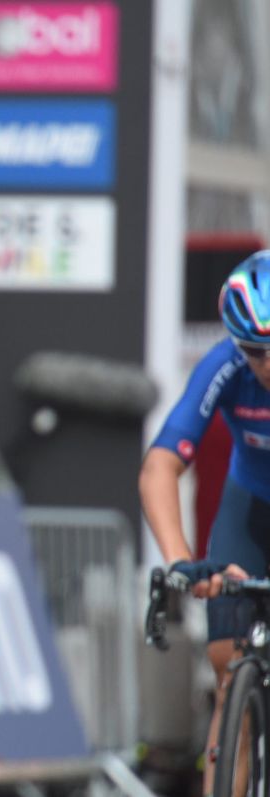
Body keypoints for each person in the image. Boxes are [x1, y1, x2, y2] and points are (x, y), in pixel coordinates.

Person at [139, 250, 270, 795]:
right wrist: (180, 561)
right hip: (253, 508)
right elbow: (159, 467)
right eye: (259, 353)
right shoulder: (223, 367)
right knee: (228, 668)